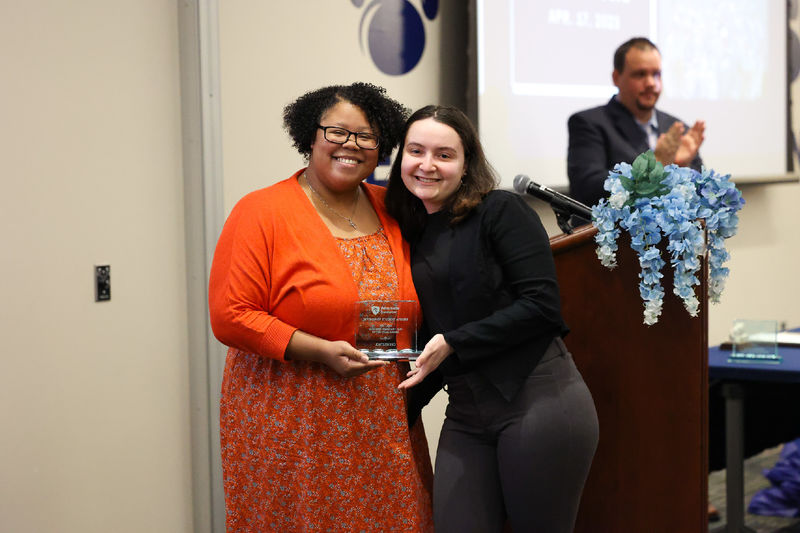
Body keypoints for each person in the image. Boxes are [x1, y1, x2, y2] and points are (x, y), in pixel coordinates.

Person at [208, 82, 434, 532]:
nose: (350, 145)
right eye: (336, 132)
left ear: (381, 147)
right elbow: (231, 314)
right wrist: (319, 349)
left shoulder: (393, 208)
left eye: (365, 136)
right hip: (290, 417)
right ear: (309, 137)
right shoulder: (262, 211)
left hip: (381, 418)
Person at [385, 105, 599, 533]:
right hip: (466, 413)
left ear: (466, 165)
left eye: (444, 155)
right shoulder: (409, 231)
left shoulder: (500, 210)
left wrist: (454, 342)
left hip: (538, 402)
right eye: (415, 151)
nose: (427, 165)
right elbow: (434, 341)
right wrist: (392, 414)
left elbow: (542, 306)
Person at [567, 37, 705, 211]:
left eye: (656, 74)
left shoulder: (678, 129)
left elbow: (701, 195)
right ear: (616, 78)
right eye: (640, 74)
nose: (650, 83)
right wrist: (654, 167)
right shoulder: (589, 123)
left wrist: (682, 168)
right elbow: (587, 189)